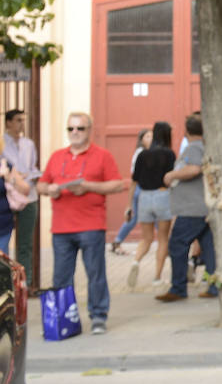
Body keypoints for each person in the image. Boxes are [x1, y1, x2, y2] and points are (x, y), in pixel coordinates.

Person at [36, 112, 127, 334]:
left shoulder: (102, 155)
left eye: (80, 128)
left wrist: (88, 187)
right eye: (71, 129)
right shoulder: (57, 156)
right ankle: (63, 318)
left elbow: (117, 184)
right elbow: (40, 185)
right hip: (61, 228)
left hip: (91, 225)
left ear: (90, 130)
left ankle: (98, 316)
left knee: (95, 273)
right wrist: (50, 190)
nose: (75, 133)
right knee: (61, 276)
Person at [157, 112, 217, 301]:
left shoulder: (193, 148)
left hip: (192, 209)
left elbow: (194, 169)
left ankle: (178, 287)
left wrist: (171, 175)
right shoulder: (207, 146)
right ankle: (215, 286)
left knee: (177, 244)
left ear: (187, 131)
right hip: (204, 207)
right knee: (209, 248)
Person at [127, 121, 177, 290]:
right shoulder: (169, 154)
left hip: (144, 197)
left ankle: (135, 262)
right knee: (162, 238)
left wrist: (129, 205)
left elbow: (134, 182)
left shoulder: (142, 155)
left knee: (146, 238)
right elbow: (172, 178)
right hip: (163, 195)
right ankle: (156, 277)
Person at [3, 108, 41, 285]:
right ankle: (6, 283)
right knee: (4, 242)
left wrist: (28, 177)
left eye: (23, 120)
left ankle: (24, 283)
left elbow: (33, 168)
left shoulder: (28, 144)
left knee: (25, 243)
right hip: (7, 198)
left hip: (28, 196)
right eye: (18, 120)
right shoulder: (2, 142)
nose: (21, 123)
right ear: (8, 122)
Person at [111, 127, 150, 253]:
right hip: (141, 188)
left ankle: (117, 240)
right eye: (148, 137)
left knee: (143, 217)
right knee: (142, 217)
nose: (151, 139)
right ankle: (117, 241)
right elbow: (136, 174)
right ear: (141, 139)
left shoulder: (146, 152)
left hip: (142, 188)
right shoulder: (141, 153)